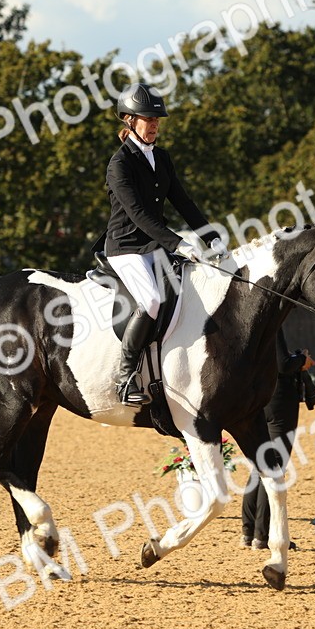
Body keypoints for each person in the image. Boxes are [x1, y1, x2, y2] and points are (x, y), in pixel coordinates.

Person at [105, 82, 227, 406]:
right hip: (126, 246)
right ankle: (126, 376)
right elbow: (139, 214)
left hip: (154, 246)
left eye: (157, 120)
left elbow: (183, 202)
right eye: (148, 119)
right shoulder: (120, 164)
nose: (155, 125)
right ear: (129, 120)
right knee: (152, 300)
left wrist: (211, 237)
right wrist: (176, 243)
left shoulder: (161, 157)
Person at [242, 330, 315, 549]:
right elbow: (282, 364)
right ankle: (264, 535)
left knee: (259, 463)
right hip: (279, 400)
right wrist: (302, 360)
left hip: (258, 395)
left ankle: (250, 532)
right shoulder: (272, 323)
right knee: (274, 465)